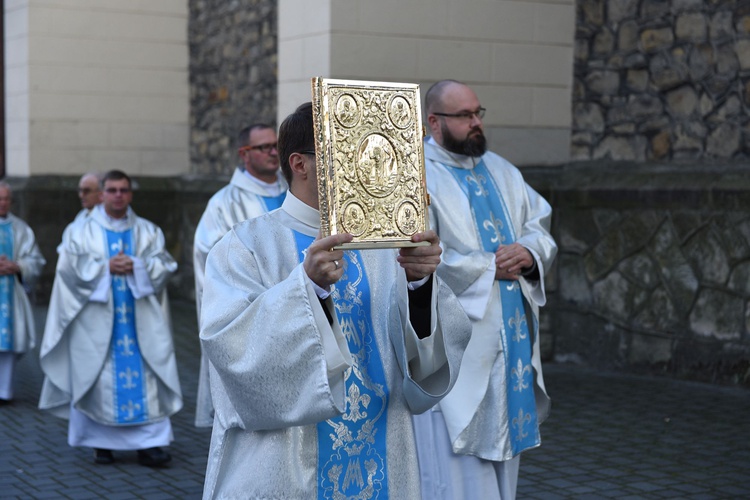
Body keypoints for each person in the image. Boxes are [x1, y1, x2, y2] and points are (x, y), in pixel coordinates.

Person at [199, 102, 471, 499]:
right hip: (286, 463)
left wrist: (420, 285)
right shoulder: (245, 246)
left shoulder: (384, 246)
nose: (363, 166)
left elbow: (425, 368)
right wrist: (307, 288)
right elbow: (231, 350)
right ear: (299, 163)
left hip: (381, 452)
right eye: (345, 154)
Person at [414, 80, 558, 499]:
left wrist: (529, 253)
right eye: (465, 116)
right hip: (458, 349)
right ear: (434, 122)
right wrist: (485, 266)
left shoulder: (502, 169)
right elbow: (412, 252)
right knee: (455, 471)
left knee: (506, 461)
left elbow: (538, 224)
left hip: (510, 340)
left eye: (478, 113)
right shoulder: (416, 176)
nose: (476, 123)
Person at [38, 170, 182, 467]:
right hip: (95, 322)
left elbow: (165, 264)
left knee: (147, 374)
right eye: (112, 190)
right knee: (95, 374)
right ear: (101, 193)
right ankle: (100, 443)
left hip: (139, 322)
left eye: (124, 190)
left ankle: (150, 444)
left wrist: (138, 265)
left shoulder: (148, 231)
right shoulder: (79, 231)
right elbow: (67, 268)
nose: (118, 195)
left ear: (130, 194)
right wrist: (104, 268)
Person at [193, 123, 287, 428]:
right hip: (254, 311)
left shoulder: (297, 191)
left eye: (276, 145)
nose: (274, 152)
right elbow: (212, 258)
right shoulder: (223, 203)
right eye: (264, 147)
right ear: (244, 154)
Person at [0, 182, 46, 404]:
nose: (3, 203)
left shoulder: (21, 229)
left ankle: (4, 391)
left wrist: (18, 266)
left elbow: (35, 259)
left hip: (10, 293)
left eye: (6, 198)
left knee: (8, 343)